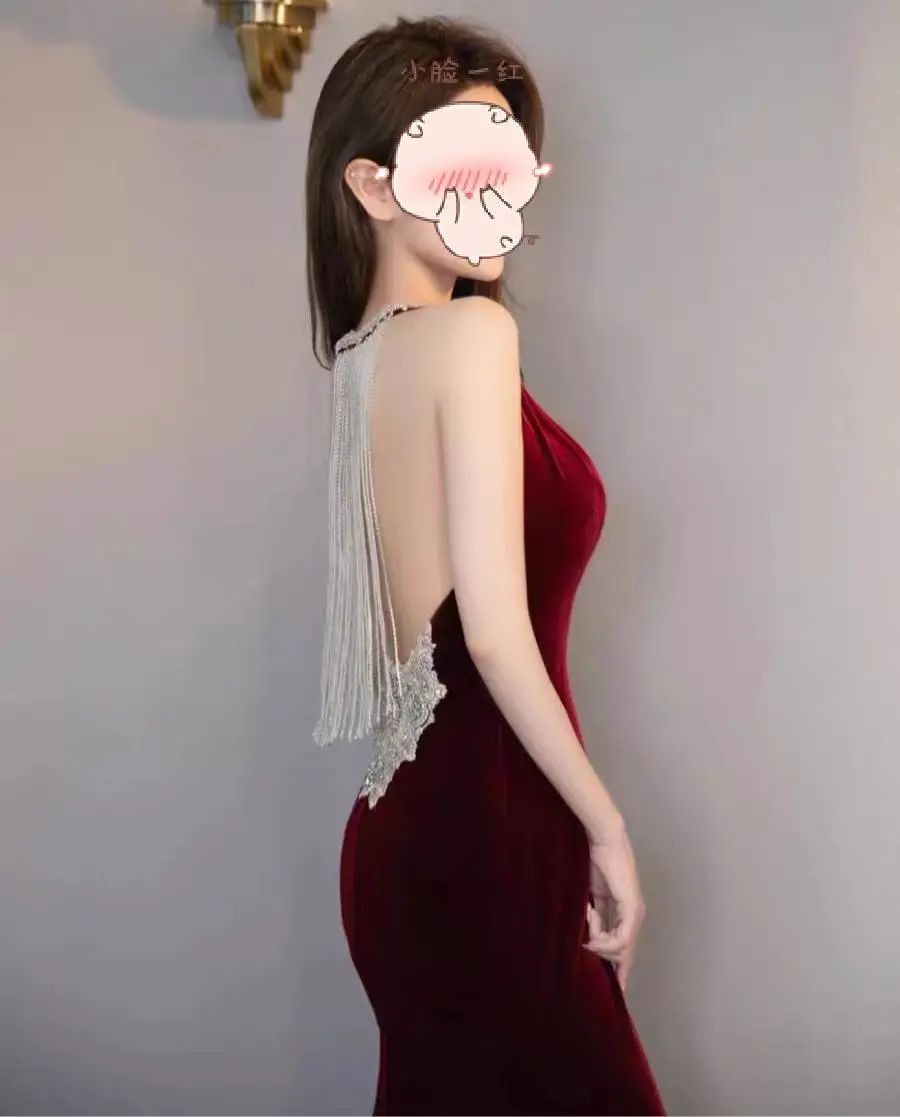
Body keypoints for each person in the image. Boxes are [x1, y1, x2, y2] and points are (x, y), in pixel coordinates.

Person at [307, 15, 666, 1115]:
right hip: (496, 825)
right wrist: (608, 830)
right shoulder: (470, 337)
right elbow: (497, 639)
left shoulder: (361, 363)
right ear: (372, 185)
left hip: (407, 831)